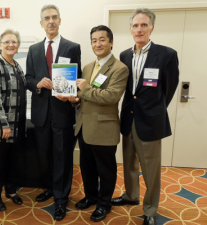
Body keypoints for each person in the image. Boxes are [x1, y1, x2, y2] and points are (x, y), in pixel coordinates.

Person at [111, 8, 179, 225]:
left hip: (150, 121)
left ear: (151, 28)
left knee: (151, 169)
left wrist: (154, 110)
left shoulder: (166, 55)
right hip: (128, 119)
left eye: (143, 25)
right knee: (129, 163)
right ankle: (131, 195)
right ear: (130, 29)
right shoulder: (124, 55)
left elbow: (169, 89)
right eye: (135, 25)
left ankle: (150, 209)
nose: (139, 29)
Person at [25, 4, 82, 221]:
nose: (51, 21)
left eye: (54, 17)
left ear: (59, 21)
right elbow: (28, 79)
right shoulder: (34, 50)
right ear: (41, 23)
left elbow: (76, 78)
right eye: (47, 18)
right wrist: (38, 84)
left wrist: (71, 94)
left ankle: (61, 198)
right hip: (41, 114)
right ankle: (51, 186)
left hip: (63, 112)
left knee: (62, 156)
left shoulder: (72, 47)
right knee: (46, 156)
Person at [69, 25, 129, 222]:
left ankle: (104, 204)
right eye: (94, 40)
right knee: (87, 167)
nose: (98, 44)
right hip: (84, 126)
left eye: (102, 39)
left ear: (111, 42)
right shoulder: (87, 67)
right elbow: (85, 95)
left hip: (104, 128)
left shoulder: (119, 68)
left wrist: (84, 89)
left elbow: (111, 97)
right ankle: (91, 196)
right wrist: (75, 98)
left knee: (106, 169)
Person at [0, 29, 26, 212]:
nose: (11, 45)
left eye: (14, 42)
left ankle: (11, 191)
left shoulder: (16, 65)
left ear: (18, 45)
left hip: (16, 126)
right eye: (7, 42)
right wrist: (4, 125)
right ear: (0, 45)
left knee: (12, 162)